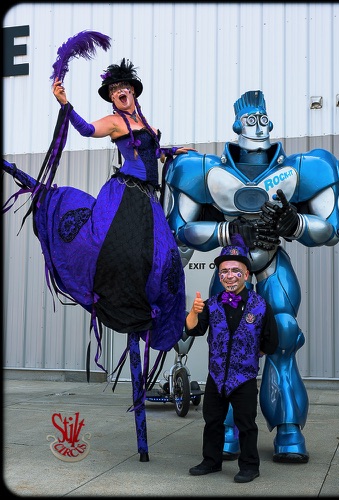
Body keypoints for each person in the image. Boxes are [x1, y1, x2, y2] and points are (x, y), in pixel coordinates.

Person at [2, 31, 193, 462]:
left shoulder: (147, 124)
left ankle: (154, 312)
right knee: (117, 248)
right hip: (125, 195)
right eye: (115, 90)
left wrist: (172, 152)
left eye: (126, 88)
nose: (122, 93)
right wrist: (65, 104)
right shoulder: (116, 124)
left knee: (166, 261)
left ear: (134, 93)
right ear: (111, 97)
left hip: (148, 200)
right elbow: (88, 130)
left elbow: (154, 153)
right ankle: (108, 287)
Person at [163, 89, 339, 463]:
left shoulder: (304, 167)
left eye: (262, 118)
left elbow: (330, 229)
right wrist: (227, 233)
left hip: (272, 261)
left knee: (283, 336)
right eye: (251, 119)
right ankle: (229, 426)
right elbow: (180, 232)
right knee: (226, 345)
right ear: (236, 124)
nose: (259, 125)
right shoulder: (203, 169)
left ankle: (288, 426)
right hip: (232, 263)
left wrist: (293, 223)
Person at [185, 235, 278, 483]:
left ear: (246, 275)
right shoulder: (211, 304)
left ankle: (249, 466)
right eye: (224, 271)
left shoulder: (260, 305)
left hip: (244, 377)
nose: (229, 275)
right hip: (216, 376)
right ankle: (211, 461)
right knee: (212, 422)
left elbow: (271, 341)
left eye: (235, 270)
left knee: (246, 424)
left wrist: (255, 351)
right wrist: (193, 313)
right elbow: (194, 330)